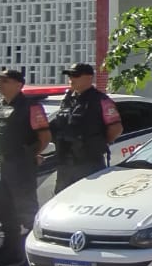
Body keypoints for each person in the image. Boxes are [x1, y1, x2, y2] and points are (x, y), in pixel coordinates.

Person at [0, 68, 50, 266]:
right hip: (2, 164)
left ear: (18, 84)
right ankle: (11, 254)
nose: (0, 84)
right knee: (5, 212)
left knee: (26, 212)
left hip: (20, 165)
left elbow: (44, 137)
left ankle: (31, 257)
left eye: (5, 80)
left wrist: (30, 154)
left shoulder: (30, 107)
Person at [46, 62, 121, 193]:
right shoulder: (67, 100)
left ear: (88, 78)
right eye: (69, 75)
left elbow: (116, 129)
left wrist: (96, 143)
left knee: (89, 198)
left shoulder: (101, 100)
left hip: (89, 163)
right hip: (65, 162)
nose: (71, 79)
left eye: (75, 75)